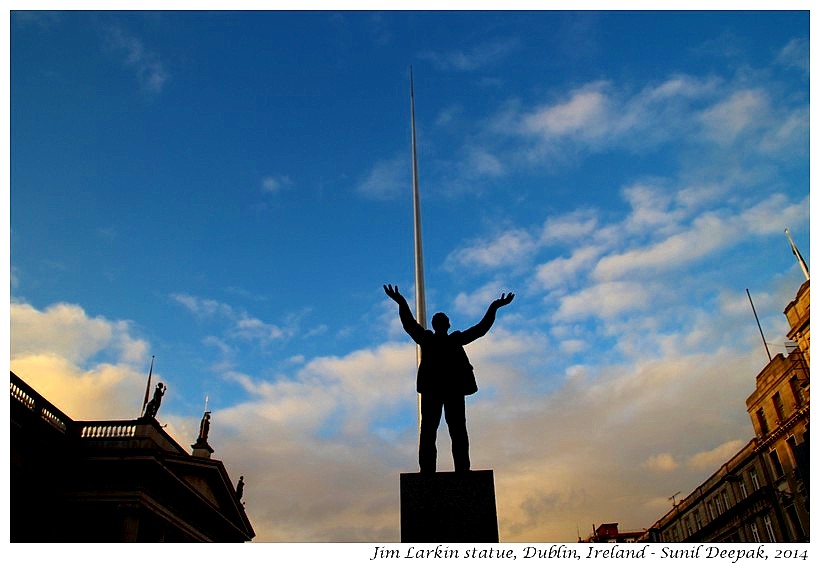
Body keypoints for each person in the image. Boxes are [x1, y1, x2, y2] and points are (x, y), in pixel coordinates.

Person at [383, 284, 514, 473]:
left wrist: (494, 307)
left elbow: (479, 329)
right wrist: (400, 301)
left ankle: (453, 470)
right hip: (437, 391)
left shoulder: (441, 339)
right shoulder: (434, 339)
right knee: (438, 431)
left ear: (440, 325)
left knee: (447, 431)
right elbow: (410, 324)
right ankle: (440, 470)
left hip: (448, 390)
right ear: (445, 325)